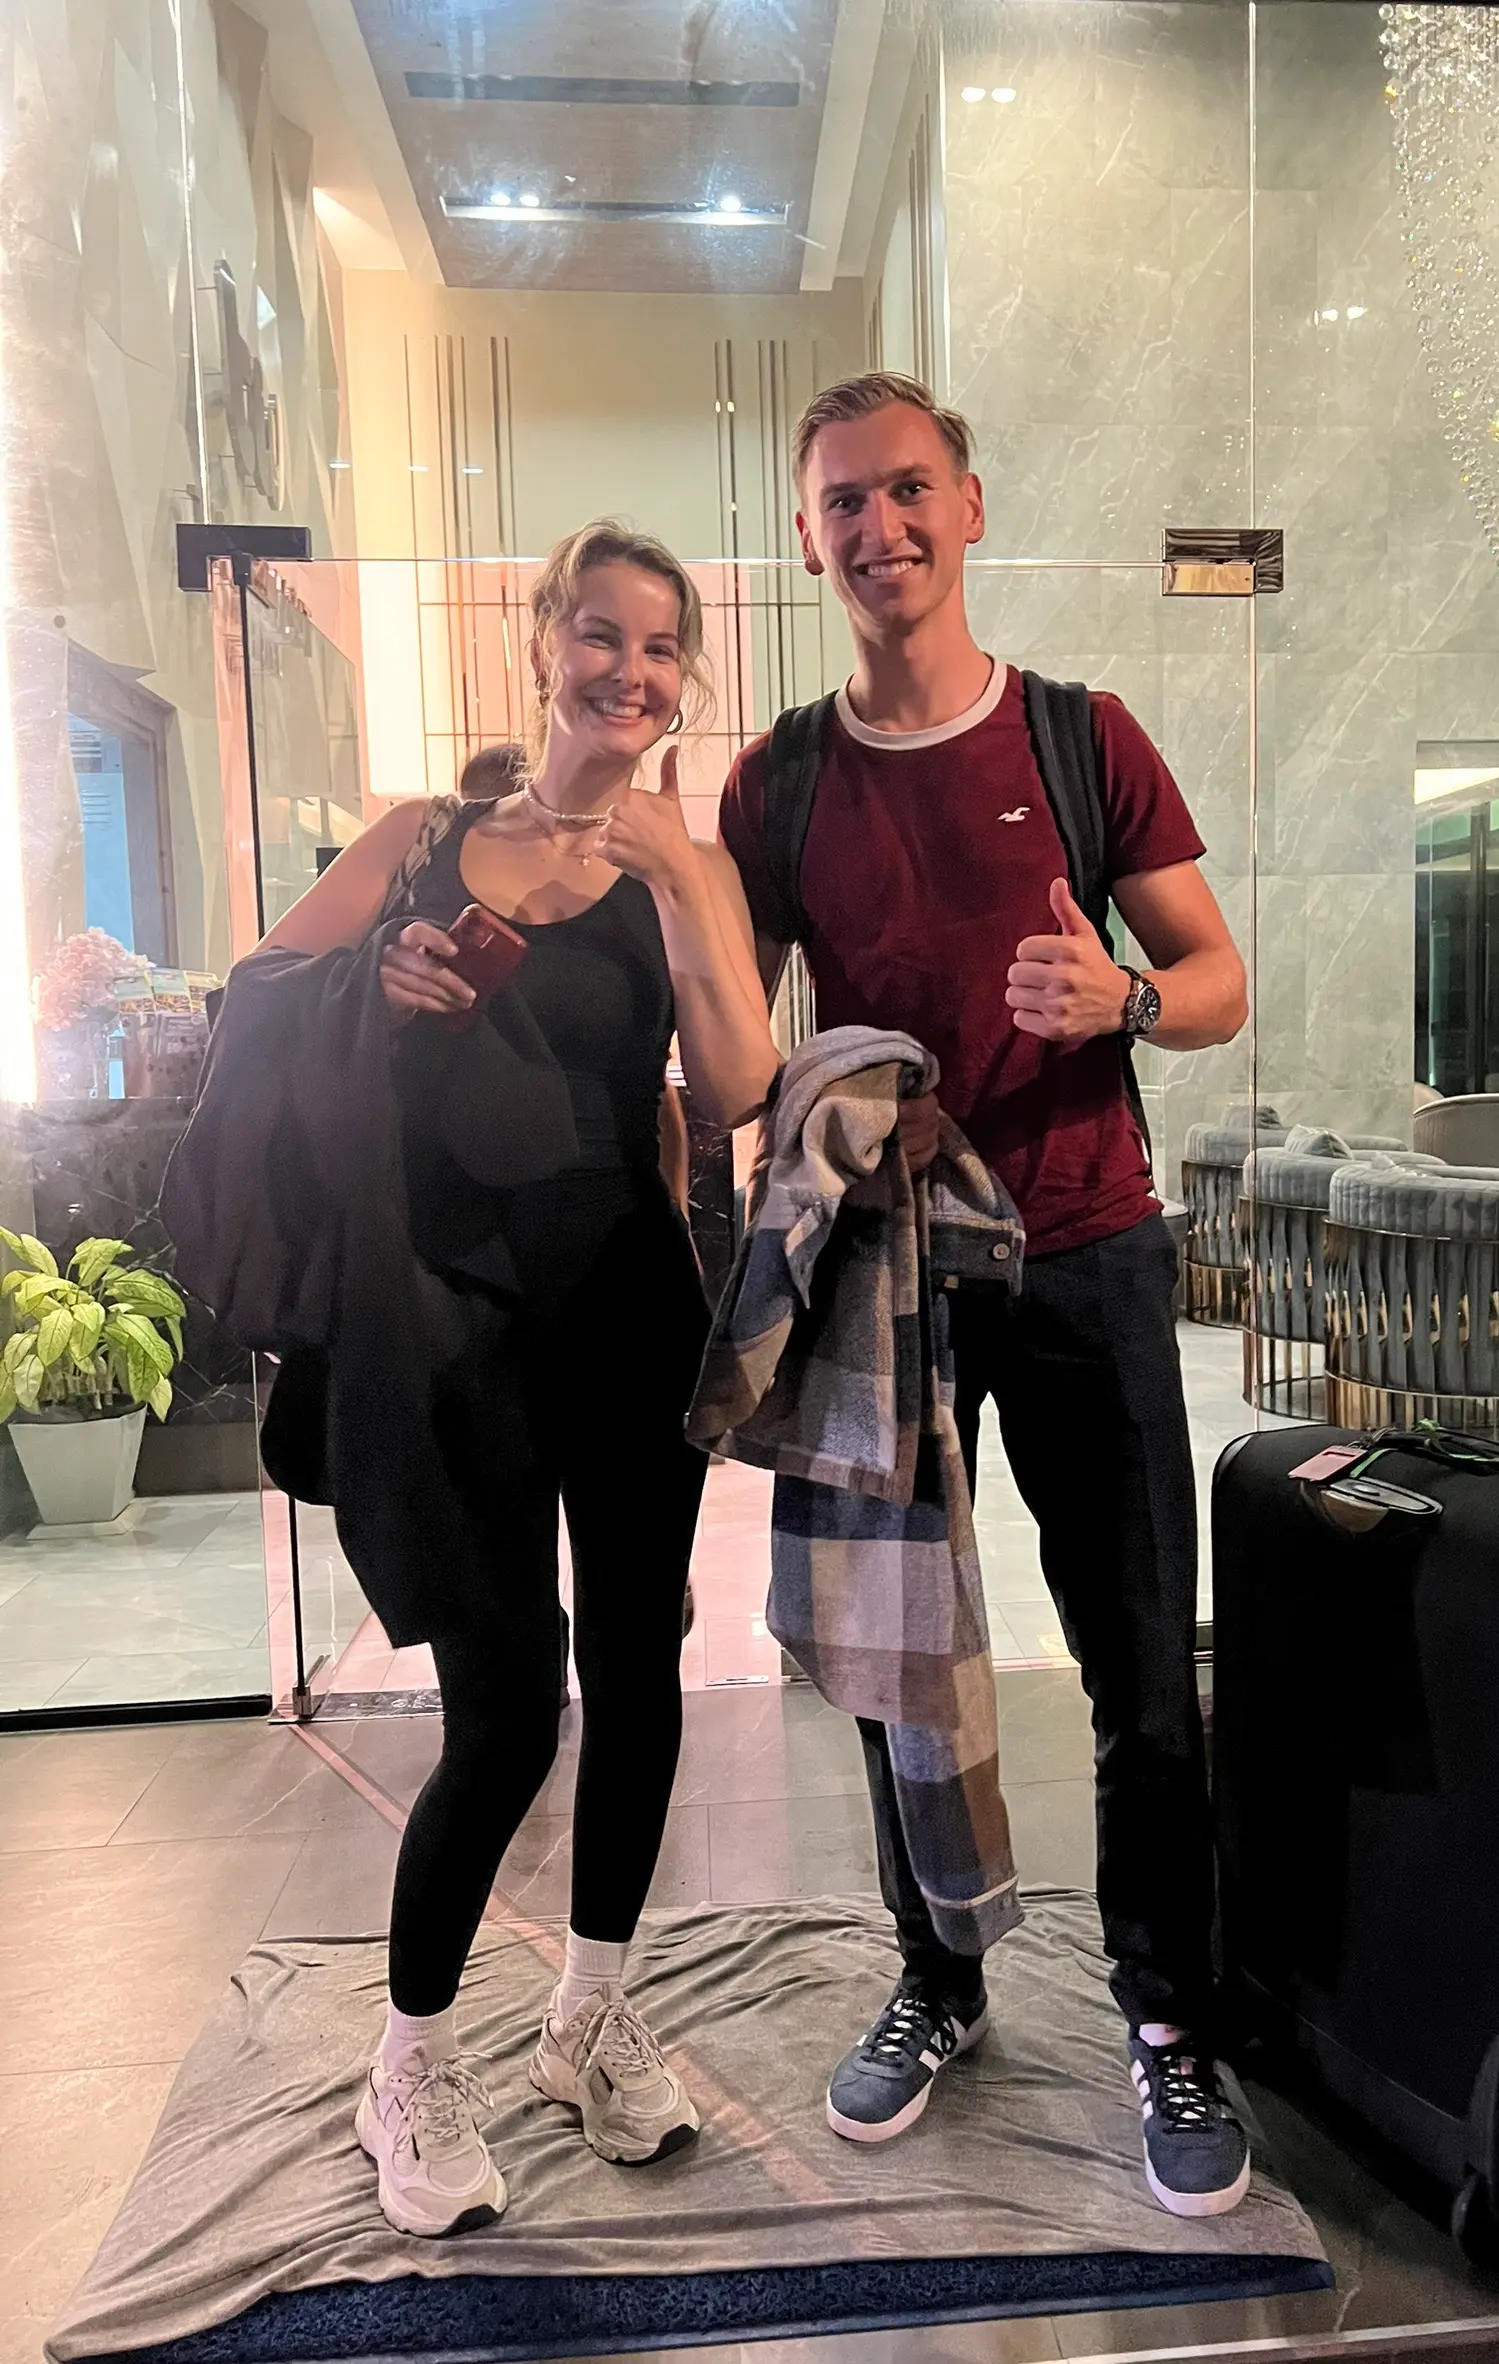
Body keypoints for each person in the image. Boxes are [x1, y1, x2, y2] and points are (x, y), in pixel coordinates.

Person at [718, 374, 1252, 2217]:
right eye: (842, 502)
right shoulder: (778, 779)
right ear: (809, 538)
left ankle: (1167, 2017)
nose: (879, 527)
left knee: (1139, 1666)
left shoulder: (1083, 739)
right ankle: (935, 1979)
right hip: (889, 1282)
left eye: (907, 489)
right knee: (900, 1666)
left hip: (1089, 1251)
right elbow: (735, 1041)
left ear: (968, 503)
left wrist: (1125, 1000)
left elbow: (1214, 977)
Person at [261, 522, 779, 2237]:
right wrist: (376, 981)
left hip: (628, 1313)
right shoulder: (420, 840)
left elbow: (739, 1083)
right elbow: (258, 996)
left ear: (680, 680)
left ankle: (588, 2014)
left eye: (661, 648)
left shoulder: (675, 866)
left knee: (640, 1675)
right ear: (546, 638)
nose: (629, 671)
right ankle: (405, 2061)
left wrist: (687, 879)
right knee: (505, 1706)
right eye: (601, 635)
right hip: (450, 1328)